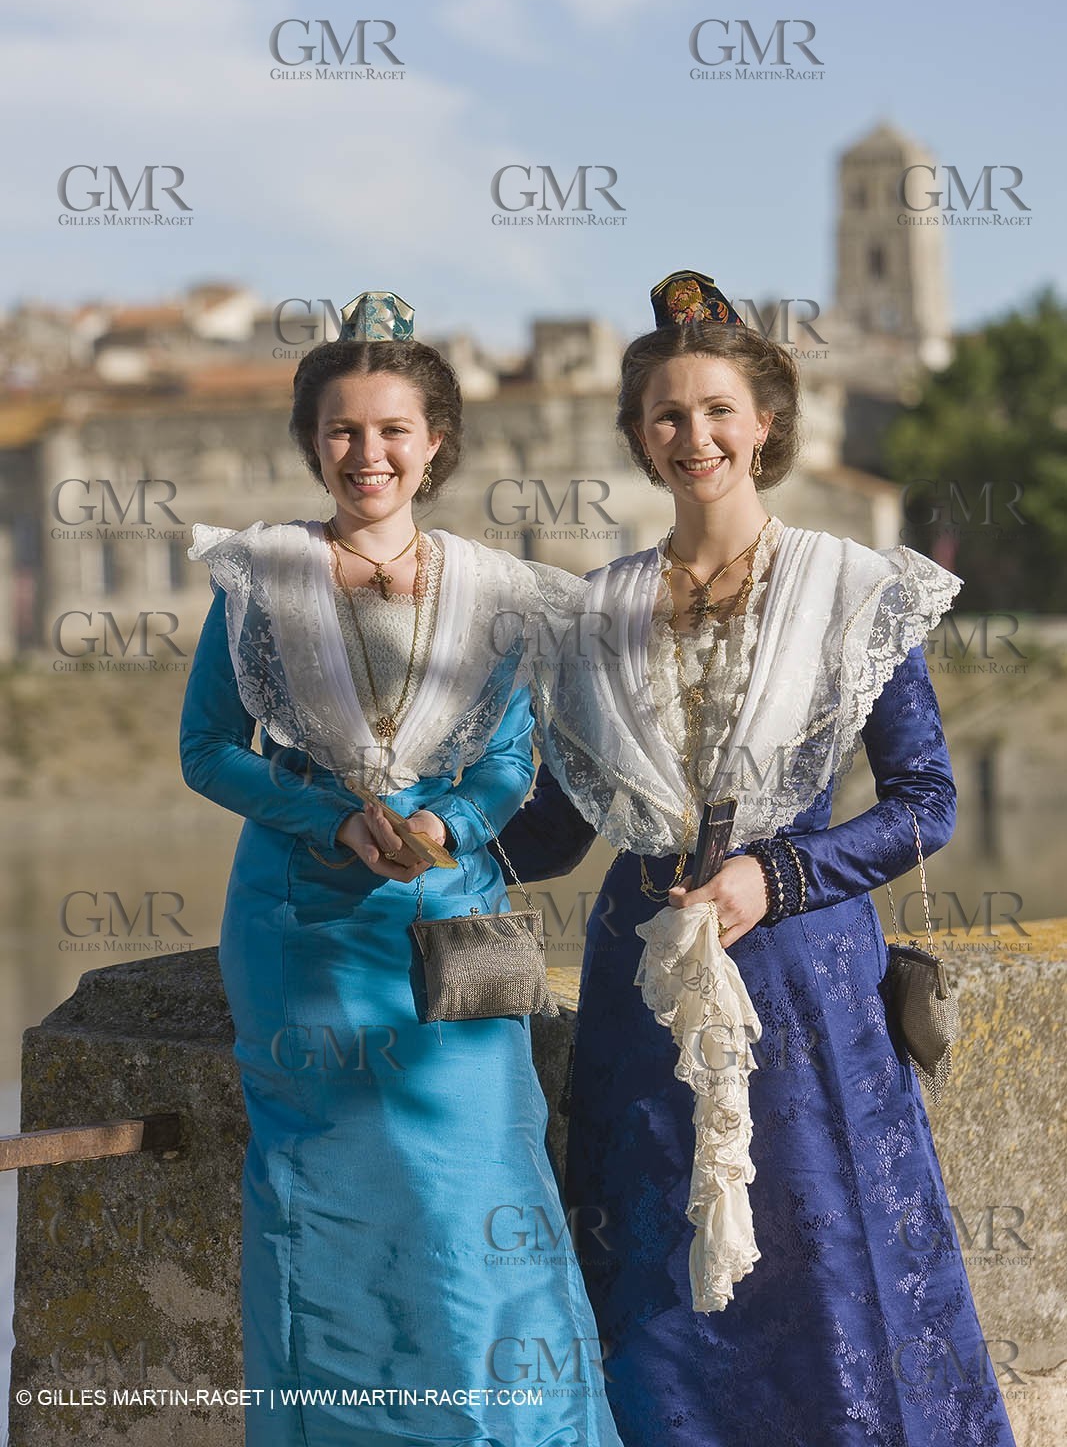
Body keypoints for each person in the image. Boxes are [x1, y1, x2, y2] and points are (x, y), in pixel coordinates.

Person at [496, 271, 1018, 1446]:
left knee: (820, 1272)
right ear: (637, 436)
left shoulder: (852, 589)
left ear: (765, 421)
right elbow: (556, 827)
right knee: (660, 1286)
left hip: (804, 985)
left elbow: (924, 802)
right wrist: (421, 832)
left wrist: (771, 877)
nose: (694, 436)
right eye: (667, 416)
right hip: (641, 999)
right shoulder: (591, 612)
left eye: (716, 410)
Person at [178, 290, 624, 1447]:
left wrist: (444, 829)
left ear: (434, 444)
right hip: (301, 932)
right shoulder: (260, 577)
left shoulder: (497, 591)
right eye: (340, 430)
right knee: (323, 1205)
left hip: (447, 930)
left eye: (390, 431)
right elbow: (208, 750)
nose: (365, 454)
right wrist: (328, 816)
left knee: (480, 1191)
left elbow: (514, 759)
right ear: (310, 441)